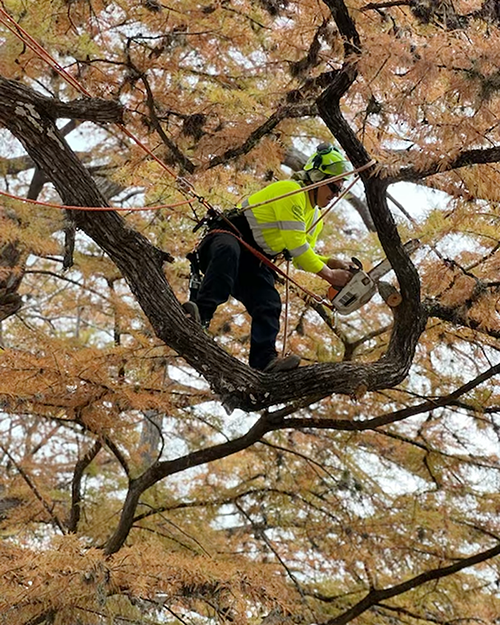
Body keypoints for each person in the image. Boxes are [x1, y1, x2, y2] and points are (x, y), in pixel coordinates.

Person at [183, 143, 353, 372]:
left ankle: (264, 362)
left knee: (268, 301)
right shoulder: (290, 192)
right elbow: (296, 244)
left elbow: (301, 256)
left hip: (254, 261)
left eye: (339, 190)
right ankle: (199, 317)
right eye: (333, 187)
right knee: (228, 252)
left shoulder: (315, 218)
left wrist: (331, 262)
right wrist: (330, 274)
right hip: (227, 237)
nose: (335, 194)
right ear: (318, 178)